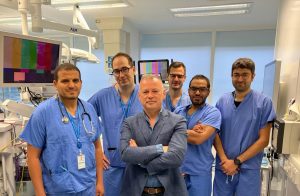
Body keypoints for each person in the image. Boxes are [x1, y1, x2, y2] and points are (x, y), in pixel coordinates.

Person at [20, 63, 104, 196]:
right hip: (57, 189)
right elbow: (32, 157)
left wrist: (100, 182)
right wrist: (40, 193)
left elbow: (98, 148)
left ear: (81, 83)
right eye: (65, 81)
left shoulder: (89, 109)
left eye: (75, 80)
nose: (71, 85)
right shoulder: (42, 113)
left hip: (88, 186)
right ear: (55, 84)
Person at [213, 58, 276, 196]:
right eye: (236, 75)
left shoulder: (263, 103)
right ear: (231, 76)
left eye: (245, 75)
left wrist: (236, 162)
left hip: (248, 170)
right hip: (223, 168)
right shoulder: (222, 101)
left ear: (253, 76)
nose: (240, 79)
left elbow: (263, 140)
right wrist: (225, 161)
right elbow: (215, 134)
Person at [120, 75, 188, 196]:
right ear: (140, 97)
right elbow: (125, 154)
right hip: (137, 191)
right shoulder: (129, 123)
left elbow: (177, 157)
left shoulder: (178, 121)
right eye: (145, 92)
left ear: (163, 94)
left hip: (169, 191)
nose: (150, 96)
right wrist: (160, 149)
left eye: (155, 91)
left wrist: (141, 161)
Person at [88, 52, 143, 196]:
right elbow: (82, 119)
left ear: (133, 69)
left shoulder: (145, 95)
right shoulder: (102, 96)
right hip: (111, 167)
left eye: (125, 69)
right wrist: (94, 151)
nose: (121, 74)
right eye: (116, 71)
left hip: (139, 166)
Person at [175, 75, 221, 196]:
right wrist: (190, 131)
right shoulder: (179, 111)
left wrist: (176, 130)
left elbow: (198, 139)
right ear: (188, 90)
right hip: (177, 171)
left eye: (202, 89)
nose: (197, 92)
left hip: (199, 173)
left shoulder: (212, 113)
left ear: (208, 92)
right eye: (194, 88)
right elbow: (166, 134)